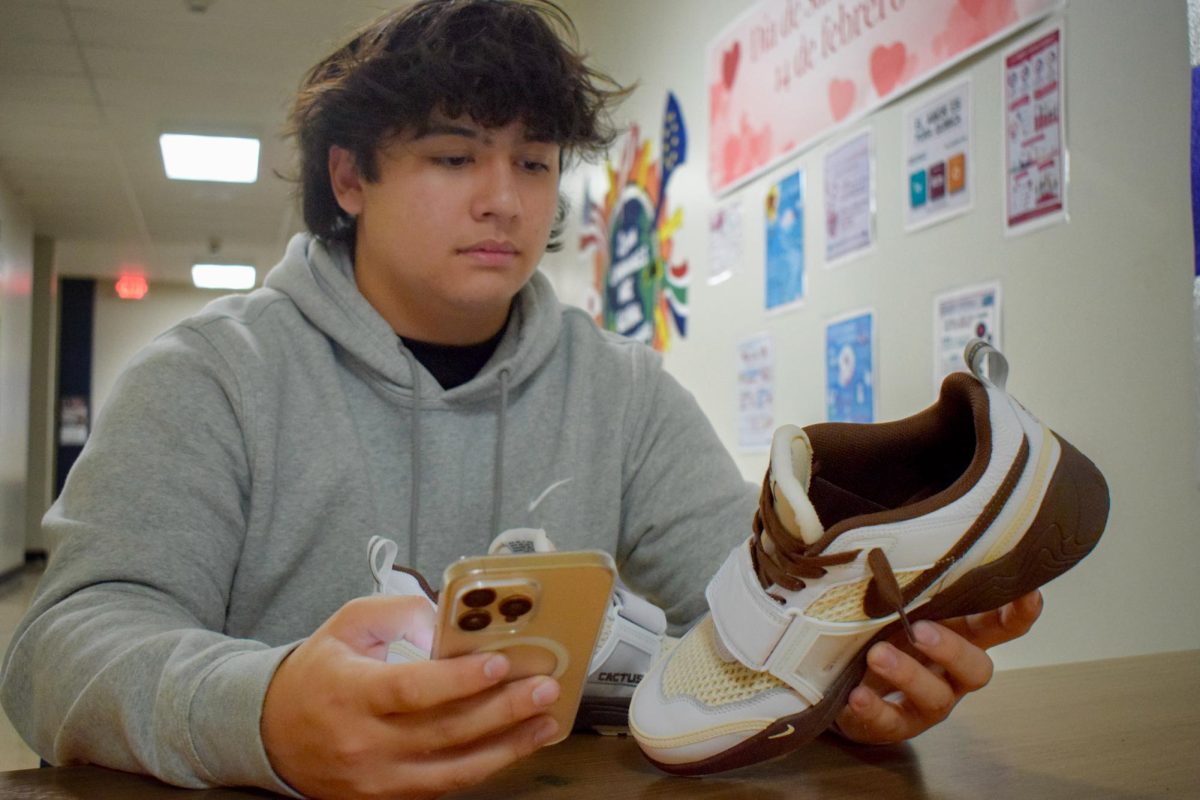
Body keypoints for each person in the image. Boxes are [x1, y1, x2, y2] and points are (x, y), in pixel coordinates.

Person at [0, 1, 1043, 798]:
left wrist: (846, 681)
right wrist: (265, 714)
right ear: (351, 176)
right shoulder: (207, 377)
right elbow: (59, 648)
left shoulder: (622, 390)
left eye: (535, 162)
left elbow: (751, 608)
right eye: (454, 156)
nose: (507, 199)